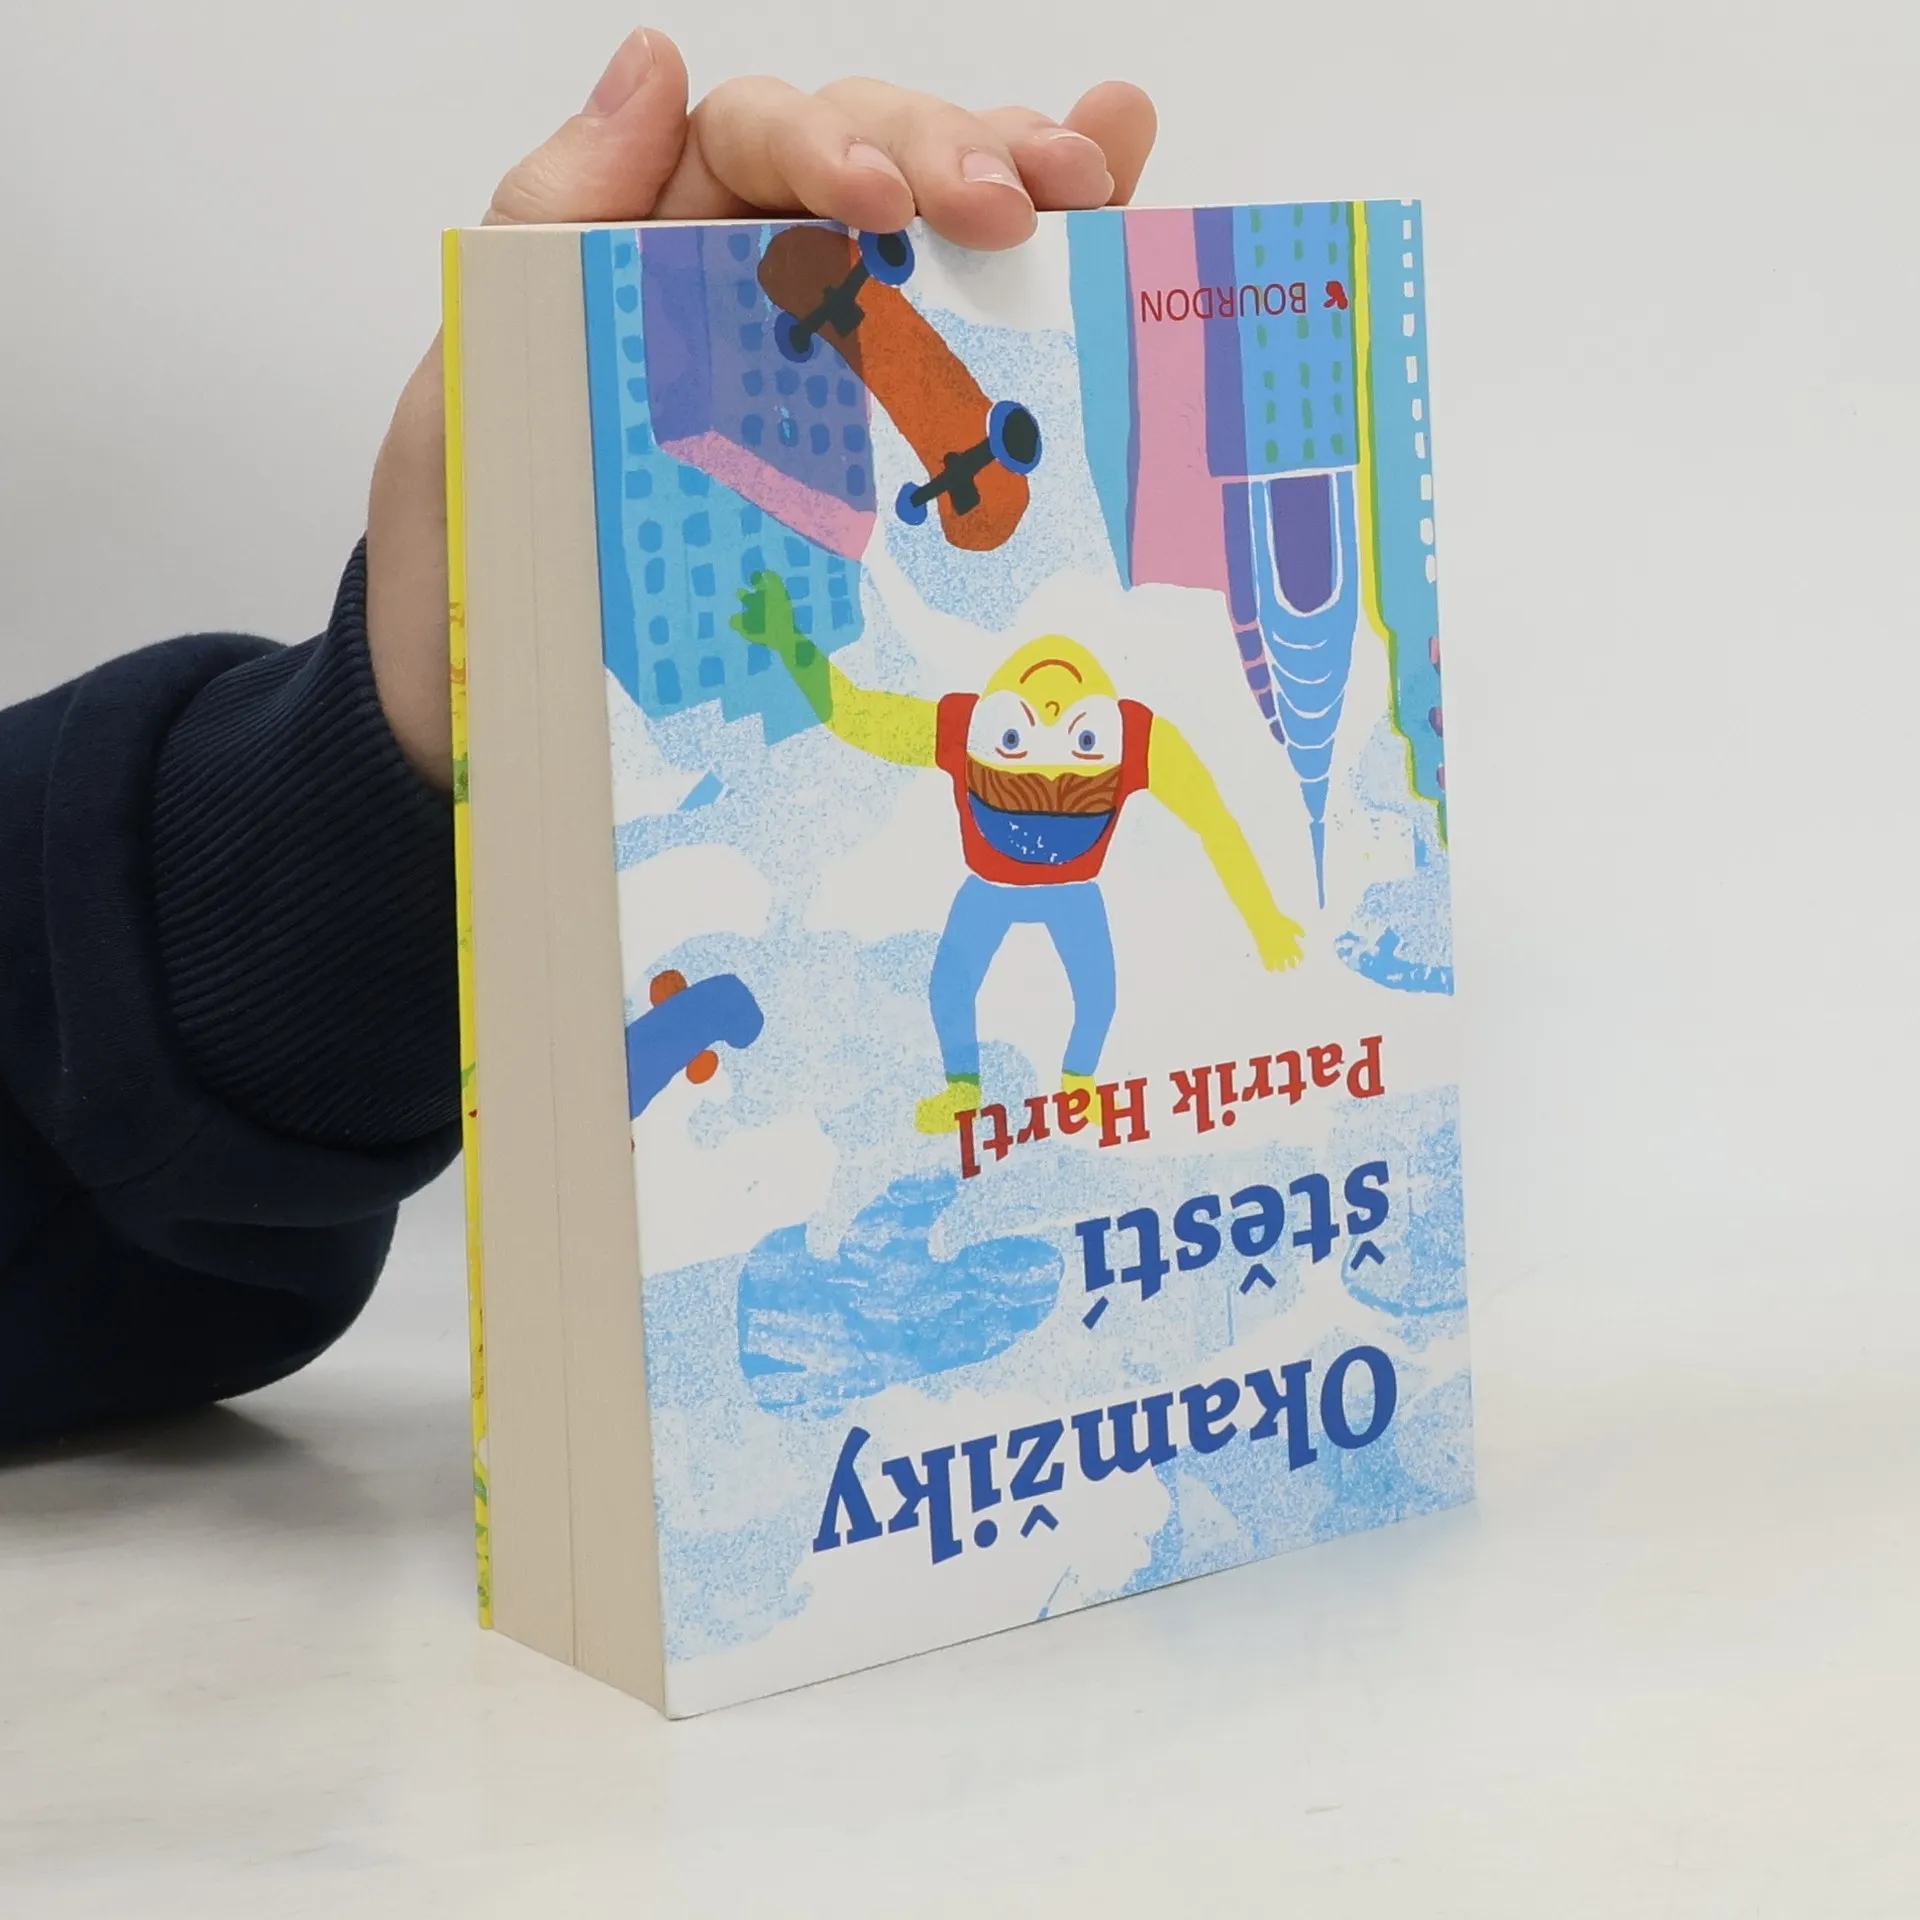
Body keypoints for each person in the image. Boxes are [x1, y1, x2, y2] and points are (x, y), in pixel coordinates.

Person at [0, 30, 1157, 1449]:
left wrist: (399, 769)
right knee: (964, 988)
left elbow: (98, 1241)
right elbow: (879, 716)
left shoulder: (1097, 725)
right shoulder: (982, 730)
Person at [736, 573, 1305, 1134]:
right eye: (1019, 736)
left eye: (1079, 736)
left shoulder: (1136, 736)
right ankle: (965, 1089)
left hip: (1070, 893)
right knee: (951, 986)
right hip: (992, 889)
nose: (1053, 698)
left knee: (1097, 996)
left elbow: (1213, 823)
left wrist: (1265, 919)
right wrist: (788, 640)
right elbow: (857, 717)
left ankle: (1078, 1081)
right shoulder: (965, 726)